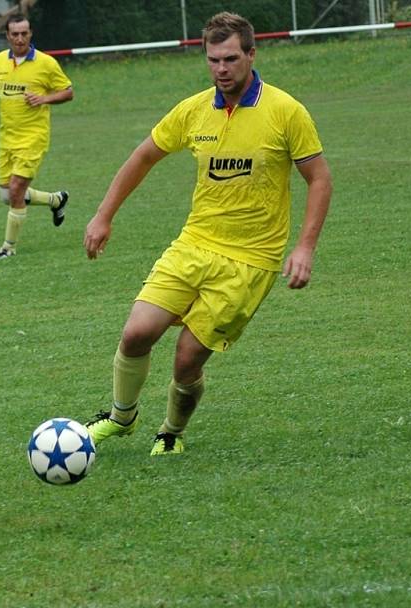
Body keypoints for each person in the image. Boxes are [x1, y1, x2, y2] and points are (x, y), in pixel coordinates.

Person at [83, 12, 332, 456]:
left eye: (231, 58)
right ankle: (122, 416)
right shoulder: (193, 110)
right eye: (213, 59)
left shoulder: (285, 111)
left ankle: (171, 433)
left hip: (250, 261)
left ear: (252, 55)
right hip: (194, 244)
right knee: (136, 333)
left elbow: (319, 179)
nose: (222, 68)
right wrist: (104, 216)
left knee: (185, 359)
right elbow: (143, 156)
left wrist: (305, 247)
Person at [0, 13, 73, 259]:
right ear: (7, 36)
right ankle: (56, 200)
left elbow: (67, 92)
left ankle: (8, 247)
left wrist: (44, 98)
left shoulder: (45, 63)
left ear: (31, 34)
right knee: (7, 195)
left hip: (33, 137)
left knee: (15, 189)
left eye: (24, 33)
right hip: (7, 138)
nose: (20, 38)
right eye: (15, 34)